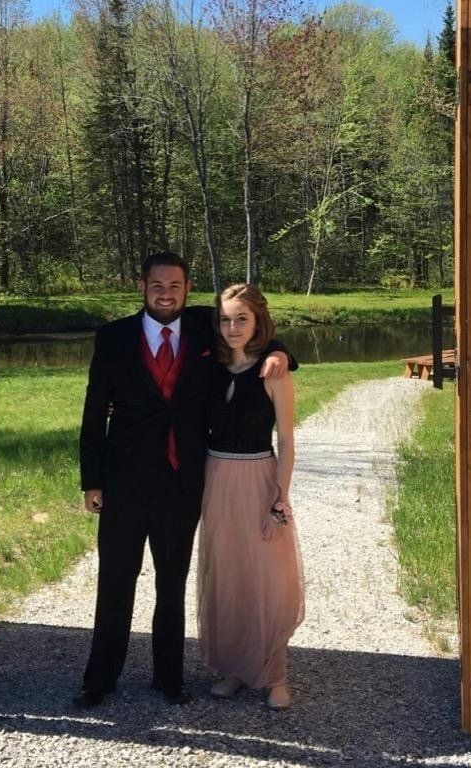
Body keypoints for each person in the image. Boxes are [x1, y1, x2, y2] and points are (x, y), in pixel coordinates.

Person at [75, 252, 293, 709]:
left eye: (175, 285)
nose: (166, 293)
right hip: (124, 481)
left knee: (171, 582)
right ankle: (100, 677)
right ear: (143, 286)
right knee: (116, 579)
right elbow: (95, 411)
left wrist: (280, 353)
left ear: (187, 288)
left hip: (184, 482)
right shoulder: (113, 337)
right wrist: (91, 480)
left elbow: (255, 331)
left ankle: (168, 678)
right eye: (157, 285)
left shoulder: (202, 327)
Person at [197, 283, 304, 710]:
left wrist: (280, 500)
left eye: (242, 318)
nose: (233, 326)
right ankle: (236, 667)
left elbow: (288, 441)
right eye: (225, 319)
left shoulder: (274, 371)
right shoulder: (211, 367)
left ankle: (274, 673)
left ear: (258, 321)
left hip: (258, 476)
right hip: (216, 476)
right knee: (228, 574)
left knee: (267, 579)